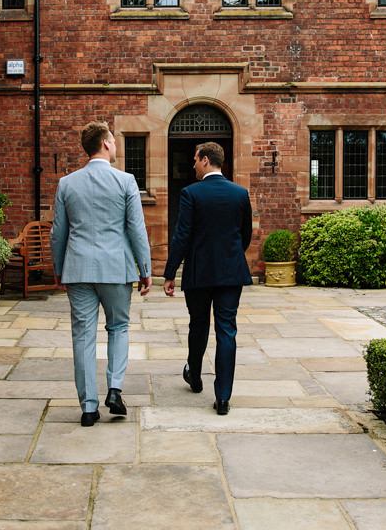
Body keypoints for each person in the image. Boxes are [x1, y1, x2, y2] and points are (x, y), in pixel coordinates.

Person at [51, 121, 152, 426]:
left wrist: (59, 270)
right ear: (107, 143)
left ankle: (88, 408)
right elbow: (137, 229)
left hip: (78, 269)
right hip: (116, 268)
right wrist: (145, 269)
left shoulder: (67, 184)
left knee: (82, 336)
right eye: (114, 141)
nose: (116, 146)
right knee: (119, 327)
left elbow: (58, 234)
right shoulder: (126, 181)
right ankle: (115, 389)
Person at [163, 141, 253, 415]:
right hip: (230, 272)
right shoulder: (240, 193)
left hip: (199, 272)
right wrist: (231, 257)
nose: (192, 165)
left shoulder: (191, 193)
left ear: (204, 160)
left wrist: (170, 273)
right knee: (227, 330)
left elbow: (182, 235)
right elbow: (245, 235)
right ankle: (223, 396)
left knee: (198, 325)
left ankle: (195, 374)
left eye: (194, 160)